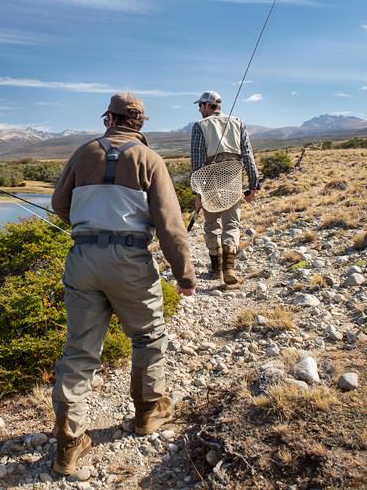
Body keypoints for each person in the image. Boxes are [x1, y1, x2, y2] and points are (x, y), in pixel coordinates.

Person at [50, 92, 197, 475]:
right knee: (148, 337)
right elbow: (169, 226)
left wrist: (89, 224)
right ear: (140, 124)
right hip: (131, 261)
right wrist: (185, 276)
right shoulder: (149, 159)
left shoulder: (83, 153)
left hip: (82, 259)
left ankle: (69, 445)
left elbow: (59, 205)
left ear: (108, 119)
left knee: (79, 353)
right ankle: (148, 413)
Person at [189, 90, 261, 286]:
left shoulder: (200, 126)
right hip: (233, 179)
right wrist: (253, 185)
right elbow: (248, 156)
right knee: (232, 226)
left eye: (200, 105)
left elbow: (197, 163)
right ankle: (229, 268)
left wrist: (197, 192)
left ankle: (216, 271)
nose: (198, 109)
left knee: (212, 227)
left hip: (210, 181)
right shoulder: (238, 122)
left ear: (205, 106)